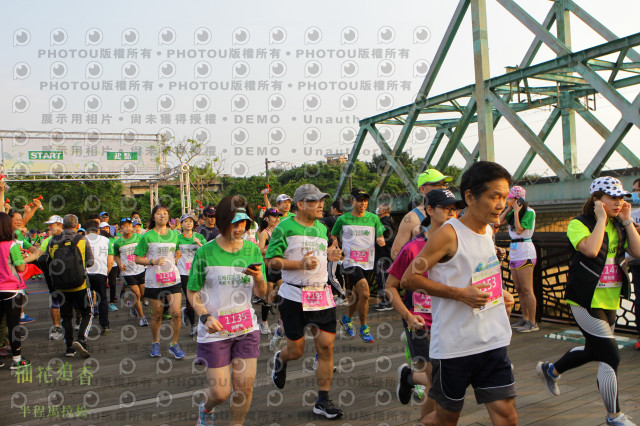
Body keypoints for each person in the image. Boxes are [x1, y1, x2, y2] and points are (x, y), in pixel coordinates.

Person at [401, 161, 517, 426]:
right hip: (455, 347)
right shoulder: (447, 235)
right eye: (494, 197)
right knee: (446, 419)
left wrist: (502, 293)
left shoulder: (488, 230)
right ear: (469, 197)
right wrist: (460, 294)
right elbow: (409, 278)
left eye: (504, 197)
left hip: (493, 341)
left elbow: (475, 272)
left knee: (507, 416)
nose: (501, 204)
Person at [537, 176, 640, 426]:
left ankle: (551, 370)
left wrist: (626, 221)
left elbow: (637, 252)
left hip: (610, 299)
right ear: (596, 200)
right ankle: (614, 417)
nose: (619, 202)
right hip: (584, 298)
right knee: (611, 355)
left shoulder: (619, 224)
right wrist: (602, 220)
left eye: (621, 197)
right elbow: (591, 250)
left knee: (597, 350)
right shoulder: (578, 223)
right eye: (612, 198)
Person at [266, 184, 344, 419]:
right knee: (297, 351)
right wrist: (298, 264)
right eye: (314, 201)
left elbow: (319, 257)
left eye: (322, 200)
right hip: (293, 296)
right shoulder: (285, 228)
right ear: (300, 205)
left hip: (321, 295)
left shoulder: (322, 228)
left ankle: (322, 400)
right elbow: (271, 261)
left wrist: (329, 256)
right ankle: (281, 358)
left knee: (326, 348)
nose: (321, 205)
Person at [187, 195, 266, 426]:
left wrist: (260, 278)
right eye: (235, 222)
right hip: (215, 331)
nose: (240, 227)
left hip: (246, 328)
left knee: (244, 388)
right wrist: (204, 316)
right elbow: (192, 292)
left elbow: (261, 293)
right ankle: (207, 408)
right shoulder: (206, 253)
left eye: (244, 223)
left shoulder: (252, 250)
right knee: (221, 393)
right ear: (222, 222)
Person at [390, 189, 464, 421]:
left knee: (449, 378)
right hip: (422, 323)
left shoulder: (461, 245)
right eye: (446, 209)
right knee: (435, 382)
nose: (452, 214)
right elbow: (391, 287)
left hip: (452, 320)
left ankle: (409, 377)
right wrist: (409, 316)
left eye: (455, 209)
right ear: (430, 210)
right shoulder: (413, 248)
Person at [334, 188, 386, 343]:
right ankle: (364, 327)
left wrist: (381, 239)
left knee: (357, 295)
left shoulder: (373, 218)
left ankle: (346, 319)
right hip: (350, 261)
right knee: (364, 293)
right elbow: (333, 235)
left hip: (367, 261)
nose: (363, 203)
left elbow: (380, 234)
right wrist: (335, 244)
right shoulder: (342, 219)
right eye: (359, 200)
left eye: (365, 200)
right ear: (352, 201)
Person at [134, 204, 185, 359]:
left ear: (169, 216)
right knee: (157, 315)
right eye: (158, 213)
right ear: (153, 217)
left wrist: (178, 255)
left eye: (165, 213)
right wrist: (152, 261)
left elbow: (176, 250)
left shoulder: (175, 234)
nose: (162, 216)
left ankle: (173, 344)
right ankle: (155, 342)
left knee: (176, 313)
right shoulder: (147, 236)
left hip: (173, 278)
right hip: (154, 280)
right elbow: (137, 258)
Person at [47, 214, 95, 358]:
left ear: (62, 225)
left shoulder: (53, 241)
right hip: (80, 284)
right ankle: (81, 339)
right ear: (77, 225)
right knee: (88, 312)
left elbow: (50, 260)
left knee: (66, 316)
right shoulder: (81, 239)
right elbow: (90, 262)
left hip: (60, 285)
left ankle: (69, 347)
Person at [0, 212, 38, 369]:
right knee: (13, 325)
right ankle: (17, 360)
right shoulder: (12, 245)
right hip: (11, 290)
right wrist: (26, 258)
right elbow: (20, 267)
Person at [499, 185, 538, 332]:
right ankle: (525, 318)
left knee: (528, 289)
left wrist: (516, 211)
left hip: (525, 250)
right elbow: (499, 221)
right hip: (515, 250)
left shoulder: (529, 212)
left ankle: (532, 322)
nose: (508, 200)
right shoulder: (512, 211)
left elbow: (520, 229)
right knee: (519, 289)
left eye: (510, 199)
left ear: (517, 199)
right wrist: (509, 209)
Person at [391, 169, 452, 260]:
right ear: (422, 189)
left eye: (444, 185)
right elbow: (395, 253)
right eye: (437, 185)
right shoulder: (412, 218)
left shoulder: (452, 213)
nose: (442, 188)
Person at [114, 218, 148, 327]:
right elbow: (115, 256)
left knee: (142, 294)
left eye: (129, 225)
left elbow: (146, 249)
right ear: (120, 229)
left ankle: (133, 306)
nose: (127, 227)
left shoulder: (139, 237)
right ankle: (142, 317)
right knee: (136, 293)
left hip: (140, 268)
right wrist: (119, 264)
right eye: (124, 226)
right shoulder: (117, 242)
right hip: (128, 272)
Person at [176, 213, 206, 337]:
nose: (189, 223)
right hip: (183, 272)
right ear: (181, 224)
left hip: (198, 271)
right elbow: (174, 253)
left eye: (191, 221)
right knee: (190, 299)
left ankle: (189, 315)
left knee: (201, 298)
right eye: (185, 221)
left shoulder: (199, 236)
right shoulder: (177, 238)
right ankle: (194, 325)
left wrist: (199, 244)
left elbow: (207, 251)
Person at [85, 219, 114, 336]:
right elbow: (110, 260)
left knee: (86, 300)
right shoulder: (106, 240)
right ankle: (105, 326)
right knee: (102, 299)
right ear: (98, 230)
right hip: (101, 273)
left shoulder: (82, 240)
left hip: (85, 273)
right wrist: (106, 273)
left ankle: (85, 325)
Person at [256, 208, 282, 335]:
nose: (277, 218)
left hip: (280, 266)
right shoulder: (264, 234)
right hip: (268, 267)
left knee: (283, 293)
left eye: (278, 216)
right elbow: (259, 250)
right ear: (266, 218)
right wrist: (273, 251)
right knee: (269, 296)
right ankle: (264, 321)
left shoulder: (281, 231)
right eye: (273, 216)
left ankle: (282, 321)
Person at [373, 202, 396, 311]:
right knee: (384, 277)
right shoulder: (389, 220)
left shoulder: (384, 221)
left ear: (383, 211)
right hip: (386, 254)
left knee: (382, 277)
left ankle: (386, 302)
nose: (377, 209)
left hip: (383, 254)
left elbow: (385, 239)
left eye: (380, 207)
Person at [628, 178, 640, 349]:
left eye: (637, 190)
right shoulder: (631, 213)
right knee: (639, 300)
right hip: (636, 262)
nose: (635, 193)